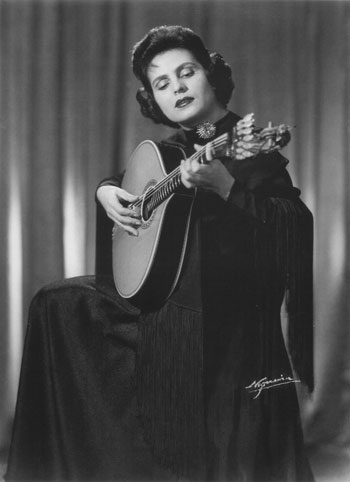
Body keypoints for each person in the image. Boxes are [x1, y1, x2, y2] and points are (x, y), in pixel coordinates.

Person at [5, 25, 314, 482]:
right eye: (162, 83)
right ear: (153, 99)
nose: (178, 87)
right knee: (55, 305)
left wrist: (227, 188)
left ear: (211, 75)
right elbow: (126, 185)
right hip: (172, 296)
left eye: (186, 72)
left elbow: (293, 224)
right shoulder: (168, 153)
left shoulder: (248, 145)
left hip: (225, 313)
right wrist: (106, 192)